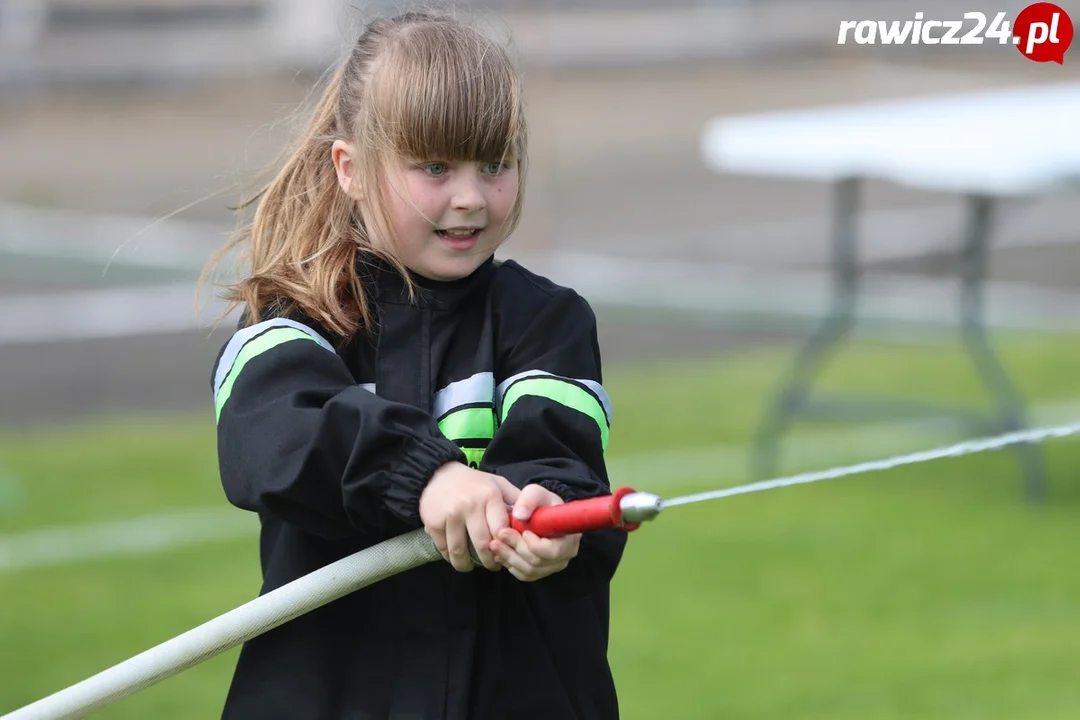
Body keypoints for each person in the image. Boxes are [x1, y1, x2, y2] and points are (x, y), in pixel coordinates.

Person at [203, 9, 626, 720]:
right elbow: (271, 441)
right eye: (434, 167)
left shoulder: (549, 321)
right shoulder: (288, 322)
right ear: (351, 170)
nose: (470, 196)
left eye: (495, 164)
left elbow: (562, 464)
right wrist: (424, 476)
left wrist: (555, 528)